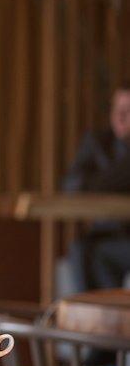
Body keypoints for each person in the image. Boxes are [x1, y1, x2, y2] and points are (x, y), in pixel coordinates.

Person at [60, 84, 130, 292]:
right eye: (116, 109)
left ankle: (102, 319)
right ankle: (89, 320)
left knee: (97, 257)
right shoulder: (98, 142)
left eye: (128, 111)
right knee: (79, 249)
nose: (120, 116)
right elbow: (71, 185)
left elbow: (85, 184)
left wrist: (96, 182)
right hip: (103, 234)